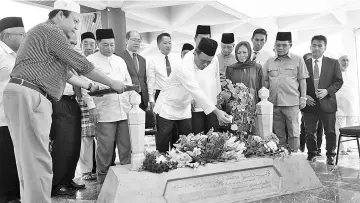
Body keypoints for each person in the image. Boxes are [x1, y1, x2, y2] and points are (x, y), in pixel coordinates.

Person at [2, 0, 127, 202]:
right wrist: (112, 82)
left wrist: (90, 86)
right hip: (30, 93)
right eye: (75, 21)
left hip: (26, 93)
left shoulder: (44, 36)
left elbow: (68, 73)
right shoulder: (50, 31)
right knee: (37, 159)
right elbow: (81, 64)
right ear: (61, 15)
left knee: (29, 158)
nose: (77, 26)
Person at [154, 38, 232, 152]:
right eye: (203, 61)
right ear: (195, 52)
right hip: (167, 107)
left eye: (208, 62)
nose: (205, 64)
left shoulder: (209, 59)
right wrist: (216, 112)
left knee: (186, 144)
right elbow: (196, 90)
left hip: (184, 107)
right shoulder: (184, 67)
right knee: (163, 144)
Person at [87, 28, 133, 184]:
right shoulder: (90, 60)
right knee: (105, 149)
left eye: (112, 45)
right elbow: (86, 86)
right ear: (98, 43)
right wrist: (91, 106)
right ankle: (103, 180)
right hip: (104, 111)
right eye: (105, 45)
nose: (109, 48)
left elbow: (127, 82)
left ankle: (127, 178)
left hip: (124, 110)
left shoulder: (120, 60)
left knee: (126, 147)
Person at [50, 32, 91, 196]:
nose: (72, 47)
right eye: (69, 43)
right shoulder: (54, 59)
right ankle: (57, 184)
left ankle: (68, 179)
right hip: (59, 100)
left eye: (74, 44)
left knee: (74, 144)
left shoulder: (72, 59)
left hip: (73, 101)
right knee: (62, 144)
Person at [263, 32, 308, 152]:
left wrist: (303, 98)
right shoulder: (269, 61)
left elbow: (302, 81)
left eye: (284, 45)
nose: (280, 48)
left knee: (294, 132)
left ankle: (293, 154)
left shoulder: (298, 59)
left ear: (290, 45)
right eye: (278, 45)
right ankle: (282, 155)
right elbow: (265, 81)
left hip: (292, 102)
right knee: (278, 132)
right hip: (274, 102)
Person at [302, 35, 343, 164]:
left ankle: (330, 154)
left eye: (320, 46)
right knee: (310, 132)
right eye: (314, 45)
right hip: (310, 104)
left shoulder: (333, 63)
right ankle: (312, 153)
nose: (317, 48)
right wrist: (304, 96)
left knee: (330, 131)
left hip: (328, 102)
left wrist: (327, 91)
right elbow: (297, 83)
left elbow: (338, 81)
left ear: (325, 48)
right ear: (310, 47)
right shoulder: (303, 64)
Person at [0, 16, 24, 203]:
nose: (24, 38)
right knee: (5, 156)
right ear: (6, 35)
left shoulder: (17, 54)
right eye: (21, 34)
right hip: (1, 118)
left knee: (15, 156)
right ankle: (6, 196)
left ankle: (15, 193)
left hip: (16, 116)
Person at [189, 25, 221, 134]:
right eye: (201, 38)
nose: (204, 41)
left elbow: (216, 79)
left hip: (212, 103)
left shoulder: (214, 58)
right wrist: (190, 98)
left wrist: (218, 98)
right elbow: (187, 81)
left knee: (213, 137)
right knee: (196, 138)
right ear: (195, 39)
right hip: (196, 105)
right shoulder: (189, 57)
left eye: (207, 38)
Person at [77, 32, 98, 181]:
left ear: (96, 45)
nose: (88, 47)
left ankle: (101, 167)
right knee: (86, 138)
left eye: (91, 44)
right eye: (85, 44)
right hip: (81, 102)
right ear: (81, 45)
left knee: (101, 136)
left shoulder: (97, 61)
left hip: (98, 101)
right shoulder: (76, 59)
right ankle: (86, 171)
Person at [299, 53, 324, 154]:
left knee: (320, 128)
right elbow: (298, 86)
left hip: (320, 104)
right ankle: (303, 148)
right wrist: (305, 96)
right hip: (307, 104)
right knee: (307, 128)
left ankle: (318, 149)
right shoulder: (302, 72)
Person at [335, 54, 357, 154]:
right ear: (338, 62)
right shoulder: (334, 73)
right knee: (340, 126)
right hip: (339, 104)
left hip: (350, 104)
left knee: (351, 125)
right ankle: (342, 148)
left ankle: (349, 146)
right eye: (343, 60)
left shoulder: (351, 73)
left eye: (347, 60)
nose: (346, 63)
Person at [122, 30, 149, 111]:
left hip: (143, 98)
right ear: (126, 41)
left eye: (139, 41)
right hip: (128, 98)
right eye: (134, 40)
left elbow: (144, 79)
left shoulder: (142, 60)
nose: (137, 43)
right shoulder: (120, 58)